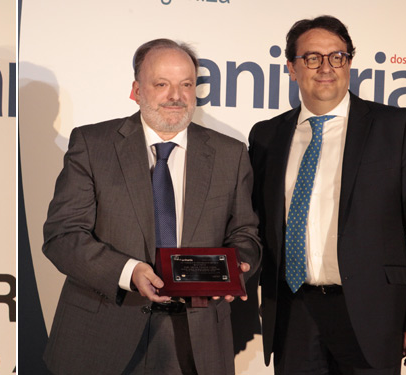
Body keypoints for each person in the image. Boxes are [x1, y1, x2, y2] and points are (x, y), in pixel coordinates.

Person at [42, 38, 261, 375]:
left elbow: (245, 233)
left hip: (195, 339)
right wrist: (128, 272)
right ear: (136, 90)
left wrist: (237, 268)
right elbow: (63, 236)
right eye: (162, 84)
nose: (176, 95)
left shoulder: (230, 153)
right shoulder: (92, 145)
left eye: (186, 84)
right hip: (101, 336)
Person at [249, 15, 406, 374]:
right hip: (294, 313)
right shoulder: (266, 136)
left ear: (349, 64)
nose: (326, 67)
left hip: (372, 316)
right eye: (312, 58)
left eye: (337, 56)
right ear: (292, 68)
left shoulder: (397, 127)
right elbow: (257, 224)